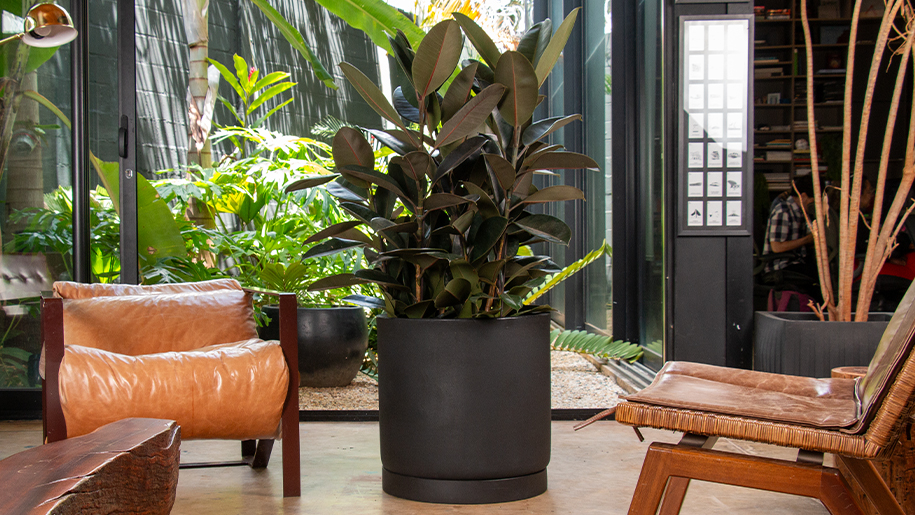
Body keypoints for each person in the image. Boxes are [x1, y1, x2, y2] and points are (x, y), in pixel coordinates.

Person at [762, 174, 817, 278]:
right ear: (803, 196)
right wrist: (807, 239)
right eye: (813, 201)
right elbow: (776, 247)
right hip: (781, 266)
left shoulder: (801, 212)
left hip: (797, 262)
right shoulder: (783, 210)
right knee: (819, 276)